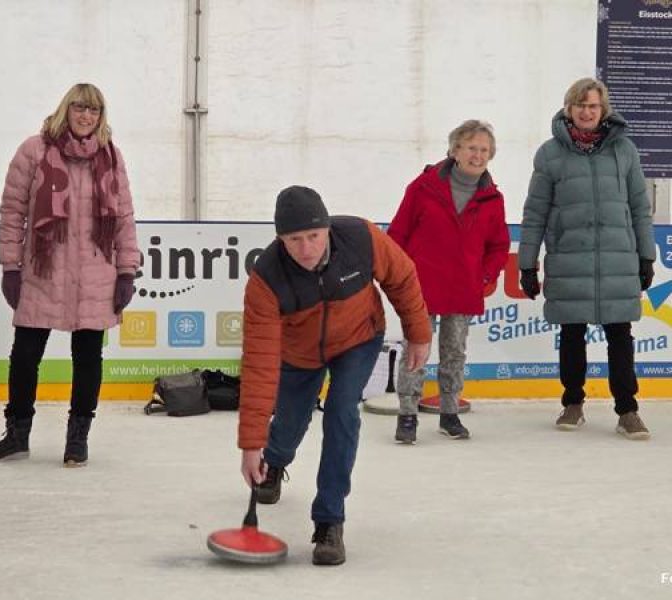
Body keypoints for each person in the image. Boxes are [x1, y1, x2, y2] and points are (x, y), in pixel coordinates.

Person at [238, 185, 432, 566]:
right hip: (299, 352)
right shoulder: (266, 280)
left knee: (343, 409)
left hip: (357, 339)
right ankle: (275, 462)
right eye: (295, 240)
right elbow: (259, 364)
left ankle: (329, 520)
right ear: (280, 239)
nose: (306, 248)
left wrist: (419, 332)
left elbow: (402, 277)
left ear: (327, 228)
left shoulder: (361, 237)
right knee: (291, 419)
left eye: (313, 235)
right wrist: (251, 444)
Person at [0, 83, 140, 467]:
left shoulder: (111, 158)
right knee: (25, 354)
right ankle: (16, 434)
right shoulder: (34, 151)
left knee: (87, 357)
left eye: (95, 110)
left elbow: (124, 218)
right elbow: (12, 211)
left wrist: (126, 270)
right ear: (66, 109)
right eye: (80, 107)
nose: (86, 116)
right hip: (42, 270)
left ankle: (77, 438)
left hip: (93, 272)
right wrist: (10, 265)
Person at [518, 77, 655, 440]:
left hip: (617, 258)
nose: (586, 111)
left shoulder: (624, 150)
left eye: (593, 105)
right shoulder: (550, 153)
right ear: (569, 109)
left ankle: (627, 410)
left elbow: (640, 207)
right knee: (572, 333)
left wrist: (646, 256)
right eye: (580, 105)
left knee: (620, 336)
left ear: (602, 110)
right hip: (570, 258)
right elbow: (536, 211)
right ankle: (573, 402)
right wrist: (527, 264)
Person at [387, 120, 509, 444]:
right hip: (421, 287)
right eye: (471, 148)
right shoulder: (422, 187)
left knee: (455, 352)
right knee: (416, 350)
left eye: (484, 150)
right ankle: (408, 415)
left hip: (462, 288)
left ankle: (450, 413)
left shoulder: (493, 199)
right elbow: (397, 233)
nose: (477, 155)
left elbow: (498, 246)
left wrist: (485, 274)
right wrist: (399, 275)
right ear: (455, 150)